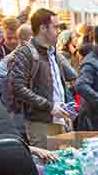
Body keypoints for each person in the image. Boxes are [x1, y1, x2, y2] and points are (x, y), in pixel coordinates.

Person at [8, 9, 75, 147]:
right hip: (40, 122)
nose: (58, 31)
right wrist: (49, 106)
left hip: (60, 118)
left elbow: (61, 83)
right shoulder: (25, 52)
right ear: (43, 28)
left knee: (64, 165)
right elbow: (17, 87)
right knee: (47, 166)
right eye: (55, 27)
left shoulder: (52, 51)